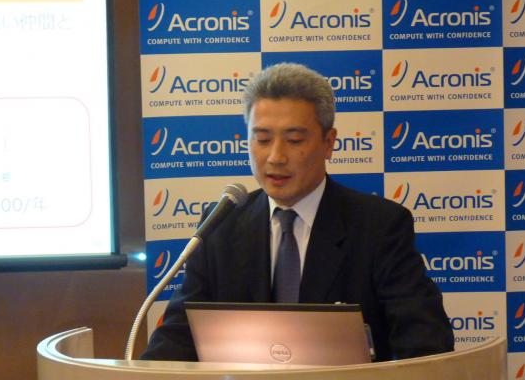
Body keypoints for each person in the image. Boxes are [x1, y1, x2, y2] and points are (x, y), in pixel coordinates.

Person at [141, 63, 454, 362]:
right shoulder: (221, 225)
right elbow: (177, 338)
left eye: (294, 140)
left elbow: (426, 343)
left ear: (329, 143)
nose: (276, 157)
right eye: (262, 139)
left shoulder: (379, 226)